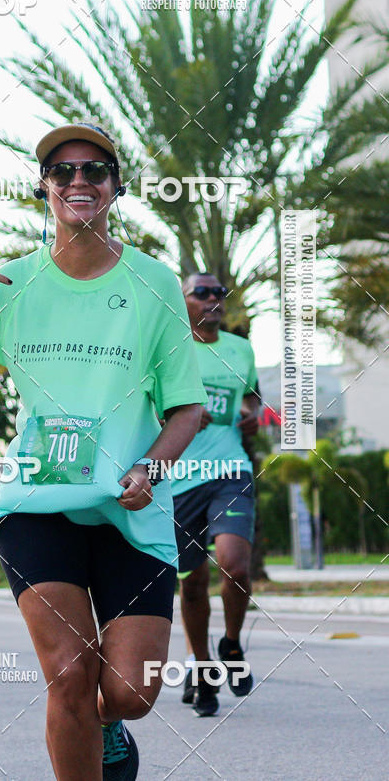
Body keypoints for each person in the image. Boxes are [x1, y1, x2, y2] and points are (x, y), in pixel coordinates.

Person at [0, 122, 207, 781]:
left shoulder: (155, 283)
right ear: (43, 187)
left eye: (94, 170)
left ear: (115, 188)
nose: (79, 181)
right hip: (38, 504)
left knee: (132, 692)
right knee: (70, 675)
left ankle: (109, 730)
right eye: (63, 171)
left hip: (131, 510)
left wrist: (151, 467)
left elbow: (190, 405)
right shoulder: (12, 285)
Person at [171, 272, 260, 717]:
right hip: (180, 478)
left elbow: (251, 400)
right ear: (183, 300)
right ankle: (203, 669)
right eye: (201, 292)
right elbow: (144, 403)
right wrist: (181, 414)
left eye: (219, 292)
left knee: (234, 565)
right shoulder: (168, 347)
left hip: (230, 470)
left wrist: (251, 415)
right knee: (192, 586)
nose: (213, 299)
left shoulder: (240, 349)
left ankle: (231, 644)